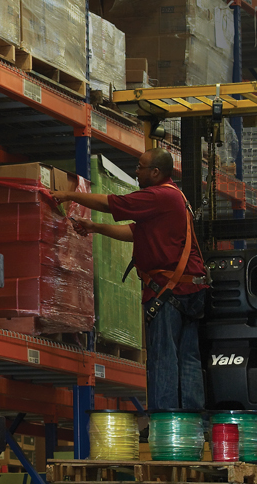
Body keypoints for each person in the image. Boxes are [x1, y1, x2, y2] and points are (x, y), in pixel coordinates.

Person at [51, 149, 210, 410]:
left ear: (155, 172)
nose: (136, 172)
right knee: (187, 357)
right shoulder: (175, 197)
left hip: (168, 292)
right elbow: (137, 232)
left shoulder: (159, 196)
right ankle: (191, 422)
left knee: (163, 357)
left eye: (140, 167)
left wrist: (68, 194)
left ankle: (164, 422)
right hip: (188, 289)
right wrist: (96, 227)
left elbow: (111, 203)